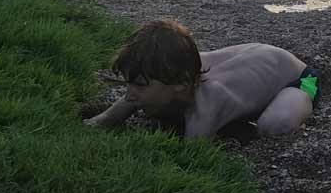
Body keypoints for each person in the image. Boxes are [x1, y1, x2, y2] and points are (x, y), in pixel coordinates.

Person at [84, 20, 318, 139]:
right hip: (247, 59)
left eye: (139, 86)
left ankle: (298, 105)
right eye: (129, 83)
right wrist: (101, 121)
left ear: (180, 85)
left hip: (295, 76)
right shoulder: (166, 76)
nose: (129, 94)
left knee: (274, 126)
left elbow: (192, 155)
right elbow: (106, 118)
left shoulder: (208, 100)